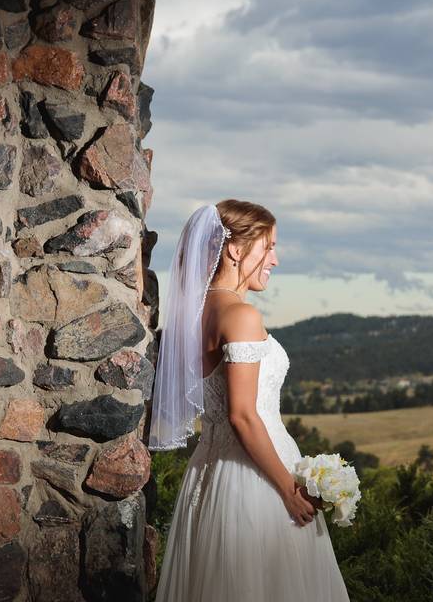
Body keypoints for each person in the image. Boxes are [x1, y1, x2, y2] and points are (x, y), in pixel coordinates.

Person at [149, 200, 351, 601]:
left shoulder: (195, 314)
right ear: (235, 250)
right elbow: (242, 416)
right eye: (268, 246)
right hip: (254, 479)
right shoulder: (241, 315)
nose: (275, 259)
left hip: (210, 472)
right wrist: (289, 491)